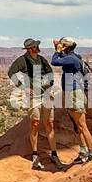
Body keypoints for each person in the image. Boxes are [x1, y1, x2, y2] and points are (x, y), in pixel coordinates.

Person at [7, 39, 58, 171]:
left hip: (46, 95)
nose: (38, 47)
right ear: (30, 49)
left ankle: (54, 154)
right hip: (34, 97)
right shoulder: (22, 61)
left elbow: (50, 73)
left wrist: (49, 86)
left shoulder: (41, 59)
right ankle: (35, 156)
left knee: (49, 124)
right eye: (36, 46)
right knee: (35, 124)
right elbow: (11, 72)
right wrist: (23, 87)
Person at [50, 37, 92, 164]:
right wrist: (58, 48)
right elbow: (61, 59)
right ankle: (83, 153)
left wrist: (57, 50)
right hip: (72, 93)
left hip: (75, 94)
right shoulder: (73, 56)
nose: (60, 46)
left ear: (66, 46)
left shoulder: (72, 59)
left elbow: (54, 62)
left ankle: (91, 153)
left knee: (82, 126)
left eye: (62, 44)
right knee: (77, 126)